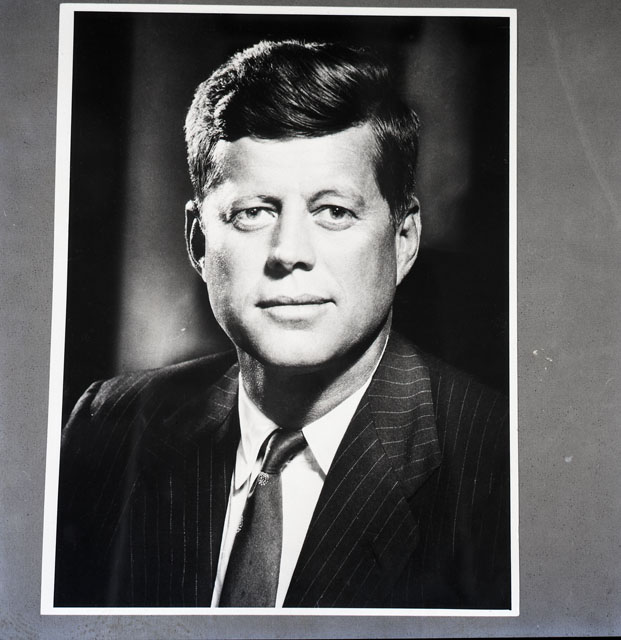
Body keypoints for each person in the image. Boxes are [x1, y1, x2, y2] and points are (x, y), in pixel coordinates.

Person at [54, 39, 510, 609]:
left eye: (334, 212)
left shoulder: (500, 466)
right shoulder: (108, 425)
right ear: (198, 242)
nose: (289, 252)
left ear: (404, 240)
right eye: (253, 212)